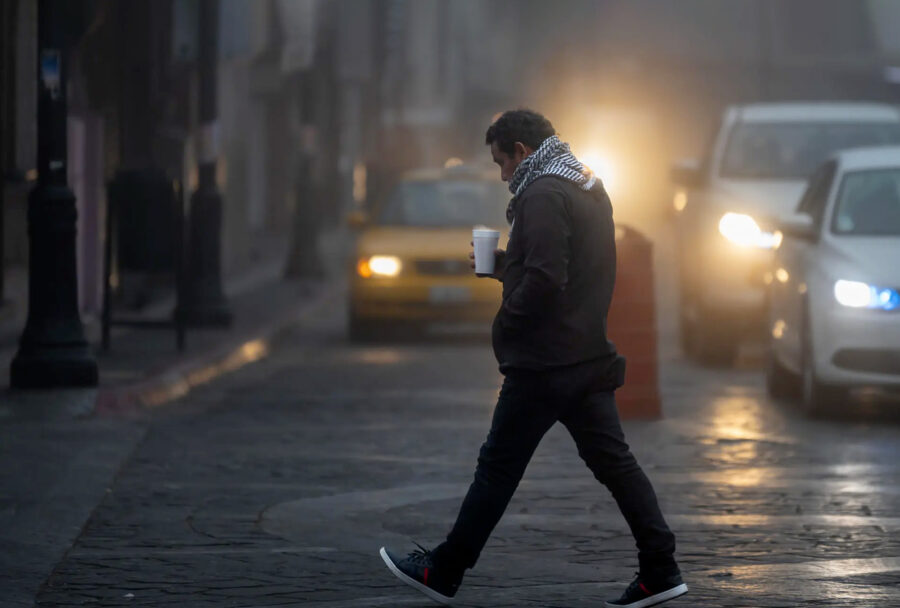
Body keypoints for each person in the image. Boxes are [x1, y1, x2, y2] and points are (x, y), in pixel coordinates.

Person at [379, 109, 687, 608]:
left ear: (522, 151)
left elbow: (546, 279)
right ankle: (661, 568)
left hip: (545, 362)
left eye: (502, 162)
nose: (503, 175)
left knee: (497, 468)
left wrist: (508, 320)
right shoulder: (585, 184)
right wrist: (508, 265)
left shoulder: (542, 193)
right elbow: (567, 268)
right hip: (584, 354)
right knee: (616, 466)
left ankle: (443, 570)